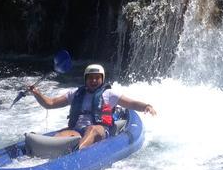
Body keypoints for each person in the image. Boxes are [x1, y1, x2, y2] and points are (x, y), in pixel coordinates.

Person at [26, 64, 156, 150]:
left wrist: (146, 106)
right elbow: (51, 103)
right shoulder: (76, 93)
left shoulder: (109, 94)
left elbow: (131, 103)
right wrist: (37, 93)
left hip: (101, 129)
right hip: (77, 130)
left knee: (92, 129)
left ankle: (77, 153)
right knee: (61, 136)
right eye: (90, 78)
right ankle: (48, 154)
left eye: (97, 78)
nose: (93, 81)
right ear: (85, 79)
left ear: (102, 79)